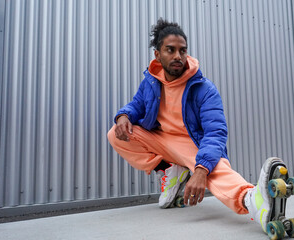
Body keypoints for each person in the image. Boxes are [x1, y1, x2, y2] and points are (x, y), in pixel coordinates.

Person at [107, 18, 283, 234]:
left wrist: (200, 170)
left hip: (192, 144)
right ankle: (171, 169)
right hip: (162, 140)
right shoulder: (151, 81)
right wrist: (124, 115)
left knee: (213, 170)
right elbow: (137, 105)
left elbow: (215, 132)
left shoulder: (204, 88)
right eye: (170, 50)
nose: (177, 56)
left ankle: (253, 201)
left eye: (182, 51)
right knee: (116, 133)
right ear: (157, 54)